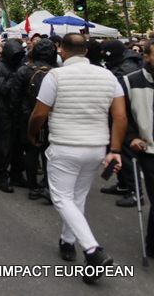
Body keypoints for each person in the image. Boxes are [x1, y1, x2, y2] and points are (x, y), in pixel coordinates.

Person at [28, 33, 126, 284]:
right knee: (77, 197)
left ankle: (93, 250)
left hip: (65, 145)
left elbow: (39, 114)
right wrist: (114, 150)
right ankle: (67, 242)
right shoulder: (108, 76)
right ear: (86, 50)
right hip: (96, 146)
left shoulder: (56, 76)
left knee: (62, 197)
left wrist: (31, 133)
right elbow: (120, 117)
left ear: (62, 51)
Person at [12, 37, 58, 202]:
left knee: (31, 151)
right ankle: (47, 184)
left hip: (28, 115)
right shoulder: (57, 70)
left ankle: (33, 187)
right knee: (48, 152)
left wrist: (16, 118)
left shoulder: (24, 70)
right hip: (51, 116)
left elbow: (15, 97)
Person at [101, 39, 144, 208]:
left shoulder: (127, 69)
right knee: (116, 149)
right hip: (119, 114)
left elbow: (120, 94)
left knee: (126, 153)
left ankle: (135, 192)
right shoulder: (121, 63)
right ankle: (123, 184)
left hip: (126, 117)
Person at [121, 39, 154, 258]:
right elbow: (121, 116)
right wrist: (132, 137)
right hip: (149, 149)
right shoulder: (130, 81)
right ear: (146, 57)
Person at [0, 38, 26, 193]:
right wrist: (16, 76)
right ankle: (1, 176)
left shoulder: (20, 66)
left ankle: (16, 174)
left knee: (18, 145)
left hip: (18, 110)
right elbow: (3, 89)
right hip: (4, 111)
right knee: (5, 144)